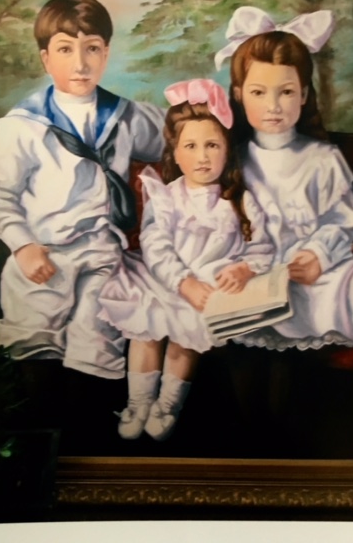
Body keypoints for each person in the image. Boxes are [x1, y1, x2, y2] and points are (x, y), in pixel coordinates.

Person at [0, 0, 165, 382]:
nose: (80, 63)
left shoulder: (126, 116)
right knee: (34, 345)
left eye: (92, 49)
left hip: (103, 252)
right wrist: (22, 244)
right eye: (65, 49)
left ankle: (91, 431)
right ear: (45, 58)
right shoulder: (23, 125)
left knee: (97, 346)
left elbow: (175, 137)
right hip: (44, 252)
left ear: (106, 53)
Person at [99, 78, 275, 441]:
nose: (203, 156)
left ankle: (167, 407)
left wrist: (244, 267)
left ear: (227, 150)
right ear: (175, 154)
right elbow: (156, 245)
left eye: (212, 145)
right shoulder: (166, 197)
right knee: (146, 333)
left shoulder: (239, 199)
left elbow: (263, 246)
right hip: (167, 280)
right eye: (191, 146)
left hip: (211, 286)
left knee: (186, 338)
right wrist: (182, 282)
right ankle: (138, 402)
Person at [215, 6, 353, 351]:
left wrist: (317, 256)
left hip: (306, 275)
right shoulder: (231, 158)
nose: (273, 106)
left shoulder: (322, 159)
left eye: (285, 92)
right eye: (258, 92)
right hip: (249, 272)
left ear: (304, 95)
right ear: (238, 94)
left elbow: (344, 222)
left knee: (332, 288)